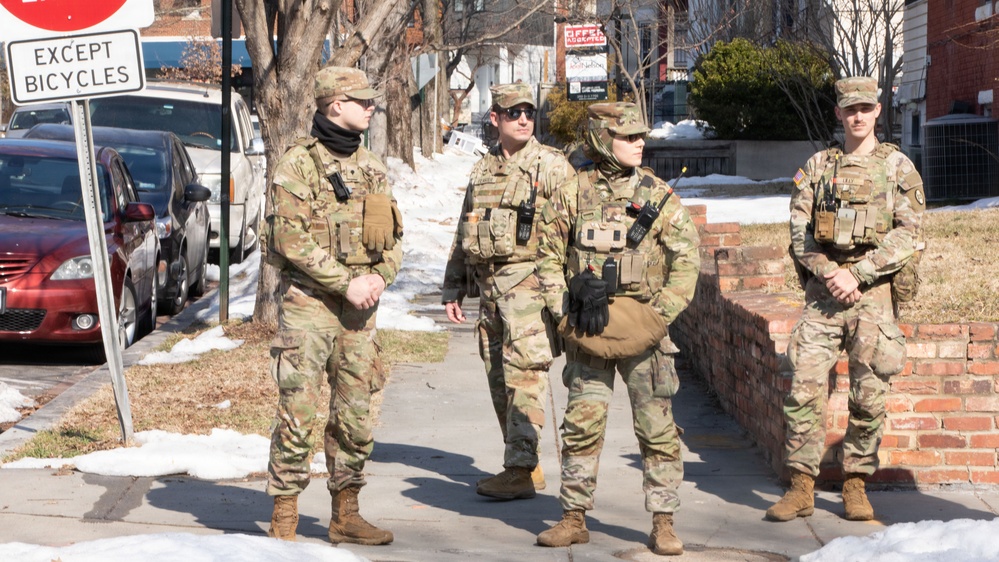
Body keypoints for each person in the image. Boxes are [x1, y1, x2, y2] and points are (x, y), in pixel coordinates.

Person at [534, 102, 700, 556]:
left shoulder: (658, 195)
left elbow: (687, 259)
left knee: (658, 428)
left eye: (641, 136)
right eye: (628, 137)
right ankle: (573, 517)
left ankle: (664, 522)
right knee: (582, 425)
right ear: (601, 140)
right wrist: (564, 308)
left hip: (645, 332)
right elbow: (547, 255)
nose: (639, 143)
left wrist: (659, 314)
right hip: (590, 329)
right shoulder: (572, 192)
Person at [766, 76, 925, 523]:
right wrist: (830, 271)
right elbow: (799, 232)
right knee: (803, 389)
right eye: (849, 109)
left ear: (877, 111)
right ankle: (801, 487)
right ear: (838, 113)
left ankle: (856, 485)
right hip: (824, 295)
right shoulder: (817, 167)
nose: (857, 115)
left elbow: (910, 233)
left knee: (869, 394)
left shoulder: (898, 168)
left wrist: (857, 273)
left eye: (865, 108)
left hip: (872, 296)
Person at [264, 66, 403, 545]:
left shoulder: (372, 165)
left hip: (360, 310)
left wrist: (378, 279)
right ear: (333, 105)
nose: (370, 107)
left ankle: (346, 513)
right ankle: (284, 518)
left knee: (357, 415)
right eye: (361, 100)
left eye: (371, 101)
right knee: (297, 412)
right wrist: (345, 282)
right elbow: (288, 238)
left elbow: (394, 237)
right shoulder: (298, 164)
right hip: (310, 304)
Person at [441, 82, 575, 500]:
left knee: (526, 379)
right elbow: (467, 227)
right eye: (513, 112)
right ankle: (524, 461)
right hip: (490, 296)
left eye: (529, 112)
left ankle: (518, 470)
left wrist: (569, 294)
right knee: (500, 382)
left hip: (530, 292)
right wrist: (453, 287)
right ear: (495, 118)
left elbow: (576, 232)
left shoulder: (552, 167)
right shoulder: (482, 170)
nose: (523, 119)